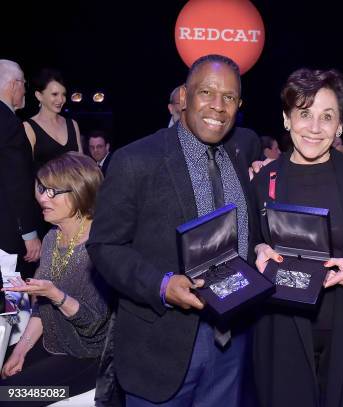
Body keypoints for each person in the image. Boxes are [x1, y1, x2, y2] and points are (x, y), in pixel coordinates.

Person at [86, 55, 262, 406]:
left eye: (229, 97)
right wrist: (162, 285)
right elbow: (104, 246)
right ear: (184, 96)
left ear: (239, 105)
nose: (218, 106)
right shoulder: (136, 160)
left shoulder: (243, 150)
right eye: (207, 92)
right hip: (159, 348)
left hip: (231, 344)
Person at [251, 69, 343, 407]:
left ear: (339, 126)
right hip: (280, 329)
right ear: (287, 119)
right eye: (304, 114)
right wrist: (259, 248)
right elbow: (247, 241)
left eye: (327, 117)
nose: (315, 128)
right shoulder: (263, 179)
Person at [1, 152, 110, 401]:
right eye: (41, 188)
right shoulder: (52, 237)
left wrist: (55, 294)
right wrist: (20, 351)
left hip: (88, 359)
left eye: (52, 191)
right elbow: (41, 306)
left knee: (9, 397)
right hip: (52, 343)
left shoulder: (102, 247)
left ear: (81, 191)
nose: (41, 197)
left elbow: (94, 325)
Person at [0, 59, 41, 278]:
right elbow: (18, 183)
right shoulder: (9, 124)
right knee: (12, 301)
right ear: (14, 84)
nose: (25, 89)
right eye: (24, 83)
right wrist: (29, 233)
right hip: (6, 234)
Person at [23, 69, 83, 170]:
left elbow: (81, 164)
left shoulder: (72, 124)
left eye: (63, 94)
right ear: (39, 96)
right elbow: (25, 169)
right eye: (54, 94)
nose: (60, 99)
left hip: (74, 185)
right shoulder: (28, 127)